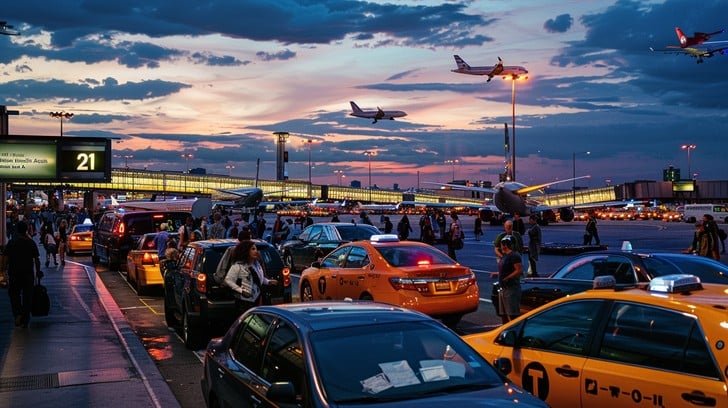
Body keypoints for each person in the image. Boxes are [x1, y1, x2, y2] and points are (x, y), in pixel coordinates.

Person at [5, 221, 42, 328]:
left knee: (14, 295)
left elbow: (5, 258)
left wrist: (3, 270)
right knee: (27, 296)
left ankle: (17, 314)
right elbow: (36, 259)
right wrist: (38, 272)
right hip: (27, 274)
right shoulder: (30, 243)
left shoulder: (12, 242)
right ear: (26, 230)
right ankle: (25, 319)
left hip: (14, 273)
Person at [223, 240, 279, 312]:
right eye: (253, 249)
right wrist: (241, 291)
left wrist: (268, 281)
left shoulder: (257, 264)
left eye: (256, 249)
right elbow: (228, 280)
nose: (256, 251)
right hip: (244, 302)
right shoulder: (238, 266)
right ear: (246, 251)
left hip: (257, 298)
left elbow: (258, 278)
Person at [497, 235, 522, 324]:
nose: (501, 247)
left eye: (502, 245)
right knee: (504, 314)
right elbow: (505, 270)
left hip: (511, 289)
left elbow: (518, 270)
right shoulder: (504, 256)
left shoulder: (514, 256)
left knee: (512, 314)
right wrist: (497, 274)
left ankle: (515, 332)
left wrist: (507, 278)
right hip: (503, 288)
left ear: (505, 245)